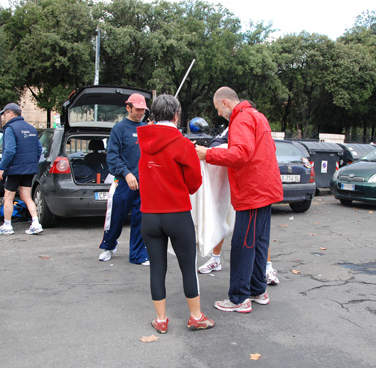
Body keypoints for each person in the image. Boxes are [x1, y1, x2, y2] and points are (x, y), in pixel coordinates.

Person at [195, 87, 283, 313]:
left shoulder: (241, 119)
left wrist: (208, 154)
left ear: (225, 102)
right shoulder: (256, 115)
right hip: (264, 189)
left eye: (217, 108)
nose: (218, 114)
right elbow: (264, 150)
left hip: (253, 191)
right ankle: (257, 290)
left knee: (243, 245)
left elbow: (241, 153)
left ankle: (239, 298)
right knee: (258, 242)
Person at [137, 94, 214, 333]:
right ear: (176, 115)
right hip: (177, 214)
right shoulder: (183, 144)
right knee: (188, 267)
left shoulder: (142, 142)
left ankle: (160, 320)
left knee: (157, 268)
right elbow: (195, 182)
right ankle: (195, 316)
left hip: (149, 215)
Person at [97, 93, 149, 265]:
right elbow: (112, 157)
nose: (141, 113)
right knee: (116, 217)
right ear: (128, 108)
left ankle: (138, 255)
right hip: (123, 182)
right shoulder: (119, 129)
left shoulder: (146, 129)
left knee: (140, 219)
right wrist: (127, 173)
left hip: (143, 184)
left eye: (143, 110)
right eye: (138, 110)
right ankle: (109, 246)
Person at [0, 103, 43, 235]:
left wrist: (1, 168)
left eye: (4, 114)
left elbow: (9, 150)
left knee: (8, 196)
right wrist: (32, 163)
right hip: (30, 168)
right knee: (27, 196)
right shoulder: (31, 128)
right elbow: (39, 149)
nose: (3, 117)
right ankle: (36, 223)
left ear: (10, 113)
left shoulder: (10, 128)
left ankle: (7, 225)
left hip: (15, 169)